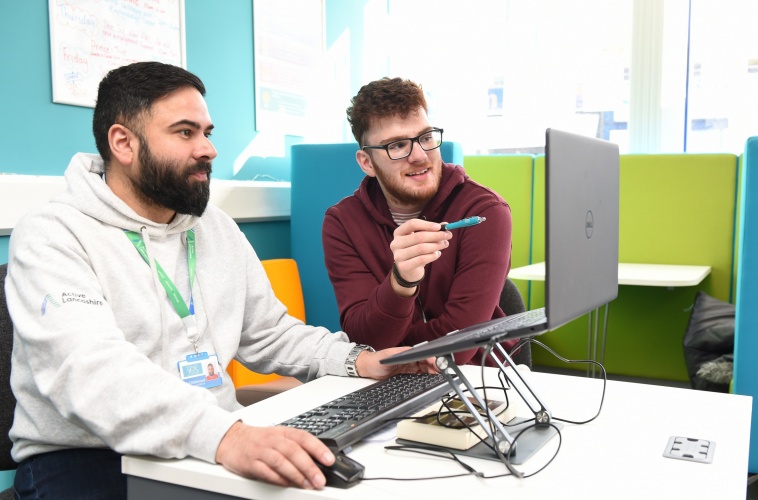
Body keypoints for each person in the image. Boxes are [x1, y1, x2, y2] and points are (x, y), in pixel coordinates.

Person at [5, 62, 436, 498]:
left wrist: (358, 361)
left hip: (210, 436)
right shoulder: (52, 234)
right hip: (88, 457)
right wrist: (225, 435)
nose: (208, 149)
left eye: (207, 132)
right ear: (123, 143)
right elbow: (91, 374)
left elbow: (270, 333)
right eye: (185, 132)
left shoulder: (213, 226)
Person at [322, 77, 516, 366]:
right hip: (387, 382)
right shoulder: (342, 223)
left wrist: (394, 348)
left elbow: (459, 348)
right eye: (398, 145)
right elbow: (363, 338)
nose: (419, 156)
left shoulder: (485, 211)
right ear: (366, 162)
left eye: (426, 137)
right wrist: (401, 282)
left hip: (479, 382)